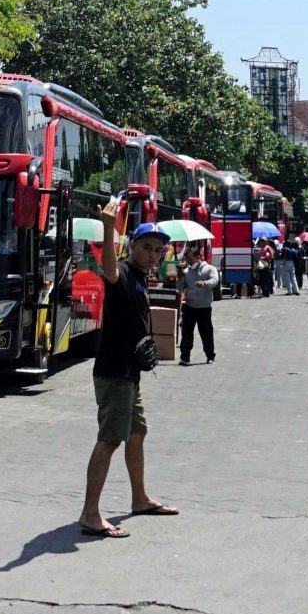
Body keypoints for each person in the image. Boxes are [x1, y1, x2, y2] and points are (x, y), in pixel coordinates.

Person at [81, 219, 180, 539]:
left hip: (130, 373)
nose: (153, 255)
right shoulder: (122, 273)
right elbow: (108, 268)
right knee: (109, 439)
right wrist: (110, 228)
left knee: (137, 433)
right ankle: (90, 514)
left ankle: (140, 498)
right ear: (132, 247)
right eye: (147, 248)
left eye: (158, 250)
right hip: (114, 373)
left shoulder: (140, 278)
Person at [178, 245, 219, 364]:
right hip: (189, 306)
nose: (189, 262)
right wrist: (180, 278)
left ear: (198, 257)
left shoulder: (209, 269)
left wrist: (205, 283)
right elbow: (181, 288)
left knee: (206, 333)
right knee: (186, 333)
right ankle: (185, 357)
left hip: (204, 307)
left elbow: (215, 281)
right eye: (188, 260)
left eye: (191, 259)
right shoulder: (186, 271)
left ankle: (210, 356)